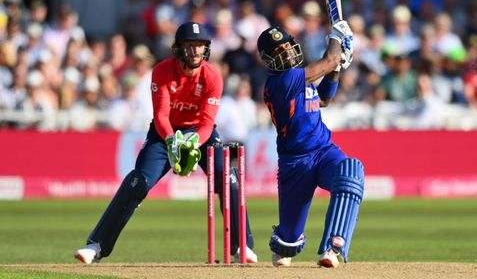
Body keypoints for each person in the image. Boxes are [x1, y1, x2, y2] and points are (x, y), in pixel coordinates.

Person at [74, 22, 257, 264]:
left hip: (200, 133)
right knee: (138, 181)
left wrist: (192, 142)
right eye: (189, 46)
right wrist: (172, 140)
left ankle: (241, 246)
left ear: (207, 49)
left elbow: (207, 121)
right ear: (178, 49)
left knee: (227, 178)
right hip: (165, 134)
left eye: (200, 46)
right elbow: (161, 115)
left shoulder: (213, 76)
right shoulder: (161, 71)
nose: (195, 52)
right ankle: (97, 245)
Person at [257, 20, 364, 268]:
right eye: (278, 52)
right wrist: (336, 39)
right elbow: (328, 61)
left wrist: (339, 66)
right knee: (288, 244)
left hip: (324, 151)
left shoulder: (300, 78)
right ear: (268, 60)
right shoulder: (282, 81)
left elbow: (325, 97)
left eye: (287, 46)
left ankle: (333, 247)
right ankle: (284, 239)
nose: (286, 53)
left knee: (351, 171)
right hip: (295, 163)